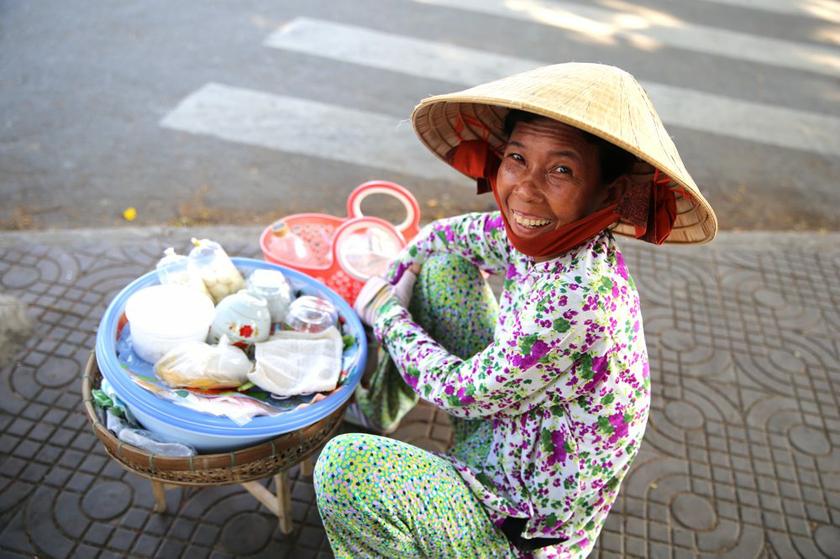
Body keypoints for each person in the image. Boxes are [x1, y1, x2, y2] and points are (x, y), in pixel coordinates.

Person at [314, 63, 717, 558]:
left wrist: (385, 313)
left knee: (344, 469)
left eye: (561, 170)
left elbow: (460, 393)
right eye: (517, 159)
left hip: (522, 517)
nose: (525, 188)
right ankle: (376, 409)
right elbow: (451, 236)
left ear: (607, 193)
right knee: (441, 269)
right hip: (510, 433)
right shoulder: (550, 232)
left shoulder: (580, 298)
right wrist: (402, 271)